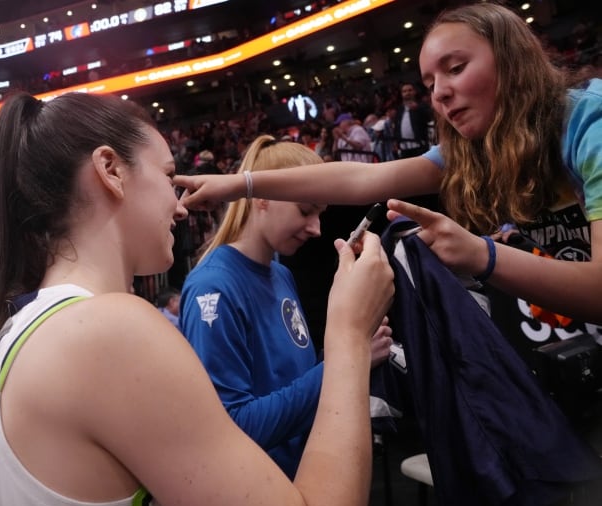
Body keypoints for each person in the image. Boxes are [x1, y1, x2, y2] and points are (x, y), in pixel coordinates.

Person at [0, 91, 394, 506]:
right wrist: (350, 339)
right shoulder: (110, 330)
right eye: (169, 177)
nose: (180, 205)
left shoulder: (22, 327)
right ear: (110, 170)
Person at [174, 2, 602, 327]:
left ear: (513, 61)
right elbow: (364, 176)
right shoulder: (476, 149)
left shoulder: (590, 122)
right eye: (430, 84)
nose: (440, 94)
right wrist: (238, 185)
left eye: (455, 68)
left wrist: (480, 255)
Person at [180, 135, 392, 479]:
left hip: (303, 476)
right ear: (262, 197)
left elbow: (291, 380)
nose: (316, 228)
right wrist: (349, 357)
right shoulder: (213, 288)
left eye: (320, 213)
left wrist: (355, 346)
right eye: (306, 210)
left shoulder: (281, 273)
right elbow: (235, 426)